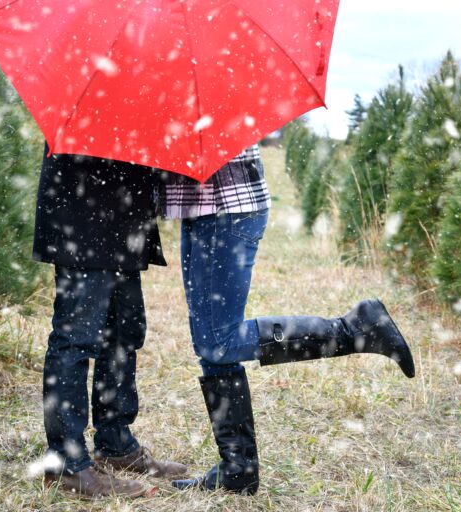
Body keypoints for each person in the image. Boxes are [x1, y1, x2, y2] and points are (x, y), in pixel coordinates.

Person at [159, 144, 416, 495]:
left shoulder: (198, 92)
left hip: (224, 206)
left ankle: (355, 329)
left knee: (218, 341)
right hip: (201, 208)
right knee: (211, 342)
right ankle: (238, 469)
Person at [33, 143, 188, 499]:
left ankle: (115, 443)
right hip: (84, 213)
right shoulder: (91, 92)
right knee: (76, 338)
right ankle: (66, 464)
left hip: (124, 216)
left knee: (123, 333)